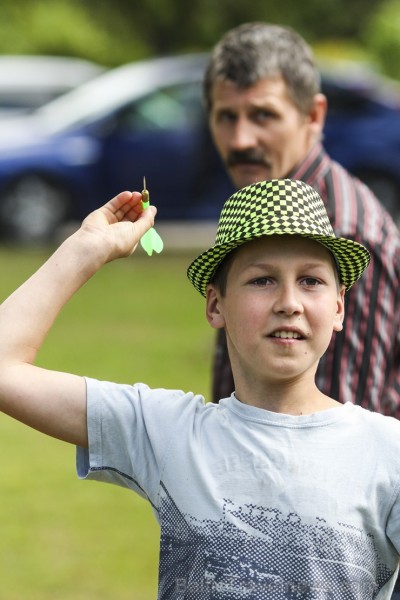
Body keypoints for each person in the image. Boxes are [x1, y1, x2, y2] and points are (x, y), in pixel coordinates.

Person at [1, 177, 400, 599]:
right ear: (215, 305)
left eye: (311, 281)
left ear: (338, 307)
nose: (289, 302)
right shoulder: (167, 433)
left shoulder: (387, 450)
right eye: (262, 280)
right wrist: (86, 249)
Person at [203, 22, 400, 415]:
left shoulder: (346, 232)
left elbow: (332, 440)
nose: (241, 139)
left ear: (314, 114)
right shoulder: (261, 206)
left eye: (263, 115)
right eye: (227, 116)